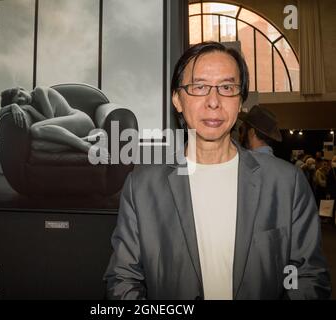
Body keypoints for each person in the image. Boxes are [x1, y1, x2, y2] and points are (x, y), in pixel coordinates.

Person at [103, 41, 331, 300]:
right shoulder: (143, 186)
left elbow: (308, 277)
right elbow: (124, 279)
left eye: (227, 87)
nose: (214, 101)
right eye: (199, 87)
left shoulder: (285, 182)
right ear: (177, 99)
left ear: (240, 100)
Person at [0, 86, 109, 162]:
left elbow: (49, 118)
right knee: (36, 146)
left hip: (80, 121)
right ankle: (87, 139)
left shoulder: (39, 91)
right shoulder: (28, 106)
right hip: (69, 130)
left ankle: (85, 146)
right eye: (19, 102)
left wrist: (29, 109)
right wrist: (13, 106)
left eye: (20, 94)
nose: (23, 99)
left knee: (35, 129)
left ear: (22, 89)